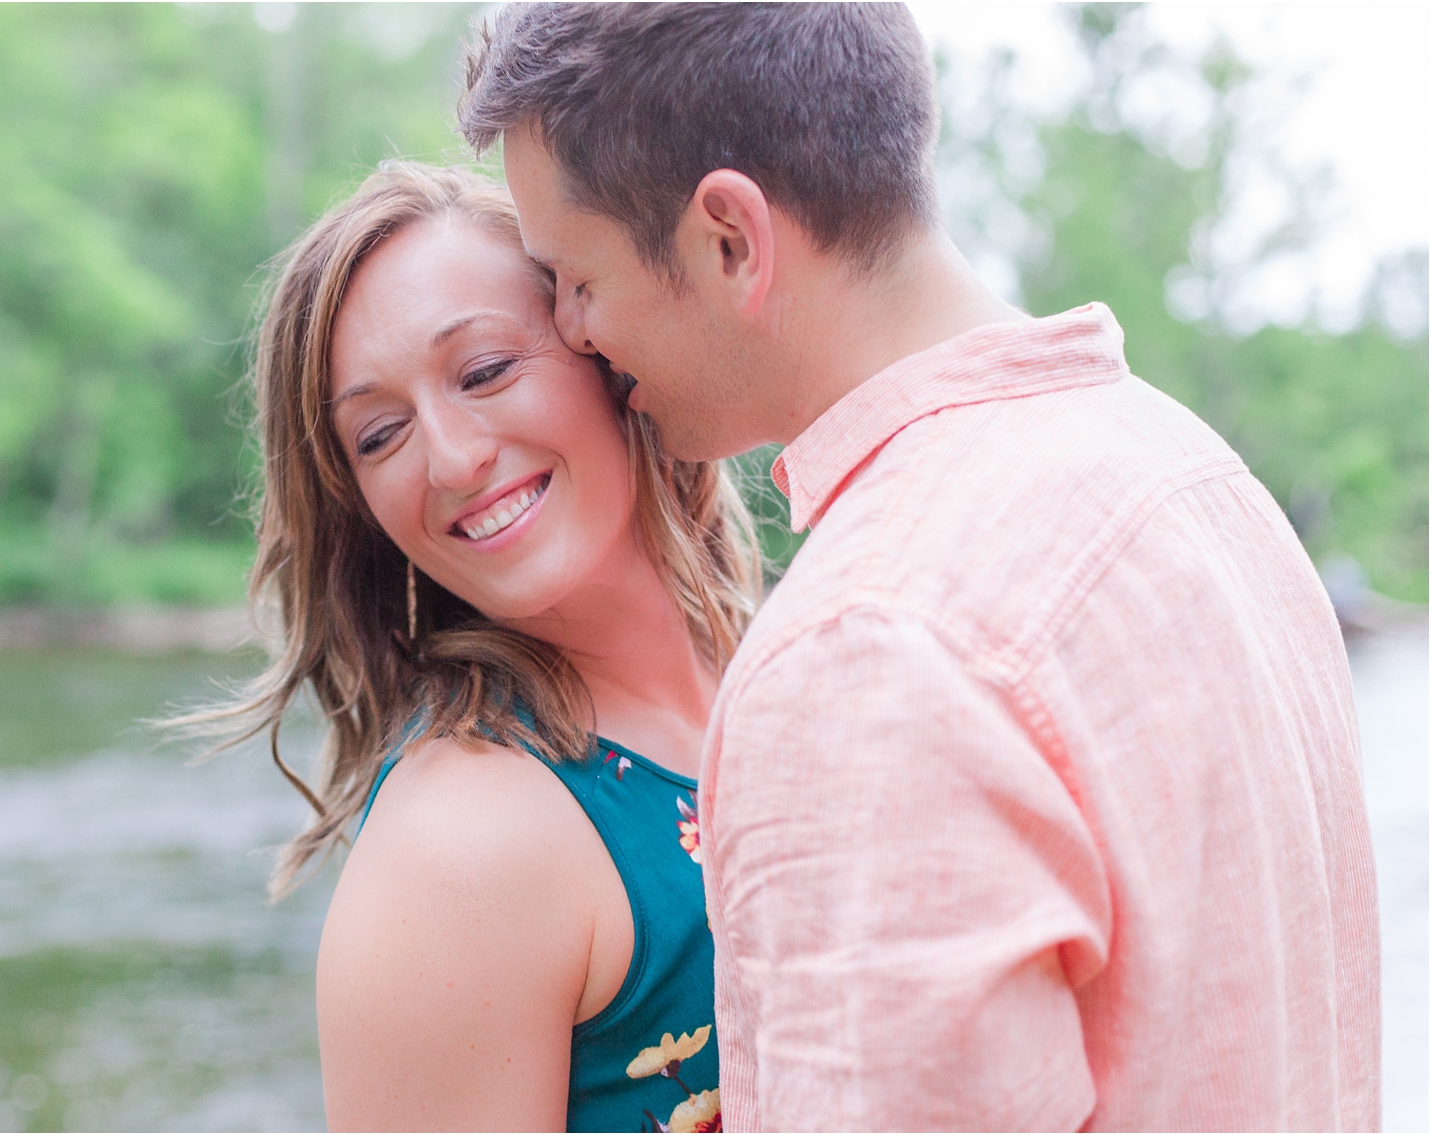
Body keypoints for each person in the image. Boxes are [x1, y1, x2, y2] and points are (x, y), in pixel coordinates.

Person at [460, 4, 1382, 1131]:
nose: (570, 329)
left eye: (577, 277)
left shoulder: (865, 650)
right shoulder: (1195, 477)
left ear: (729, 241)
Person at [202, 162, 756, 1131]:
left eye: (486, 371)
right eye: (378, 435)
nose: (452, 459)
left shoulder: (787, 661)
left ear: (603, 346)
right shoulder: (460, 847)